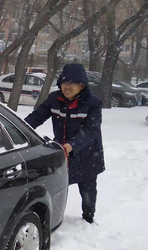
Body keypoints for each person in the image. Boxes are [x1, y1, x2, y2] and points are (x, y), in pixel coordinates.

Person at [25, 63, 105, 224]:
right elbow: (36, 117)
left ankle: (88, 219)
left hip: (88, 153)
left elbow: (91, 129)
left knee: (87, 189)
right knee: (57, 186)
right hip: (62, 152)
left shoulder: (93, 103)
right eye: (64, 82)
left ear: (81, 85)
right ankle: (53, 219)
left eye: (72, 83)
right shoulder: (54, 99)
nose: (67, 87)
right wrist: (19, 129)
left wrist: (71, 145)